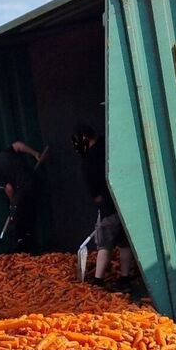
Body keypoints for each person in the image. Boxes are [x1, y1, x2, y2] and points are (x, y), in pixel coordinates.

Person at [74, 124, 133, 290]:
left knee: (104, 244)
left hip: (108, 208)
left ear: (84, 138)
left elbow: (95, 194)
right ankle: (125, 277)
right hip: (126, 203)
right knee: (124, 243)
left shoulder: (88, 161)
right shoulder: (109, 146)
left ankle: (98, 280)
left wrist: (102, 203)